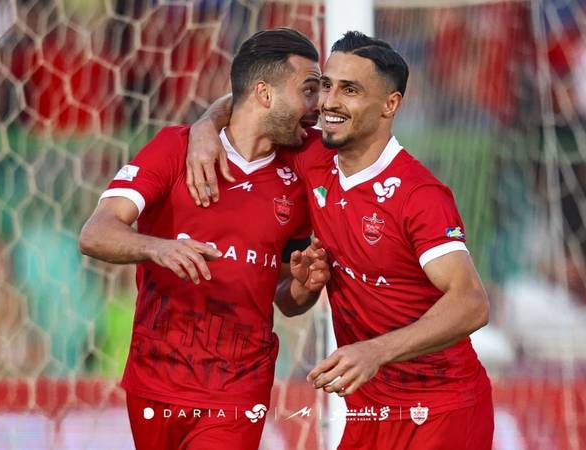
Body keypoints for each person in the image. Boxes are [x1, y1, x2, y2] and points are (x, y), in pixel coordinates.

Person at [186, 31, 493, 450]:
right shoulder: (312, 155)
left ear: (390, 105)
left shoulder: (419, 195)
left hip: (442, 408)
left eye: (350, 90)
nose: (328, 102)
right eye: (326, 85)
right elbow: (251, 102)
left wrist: (375, 352)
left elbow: (472, 302)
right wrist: (205, 126)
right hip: (369, 410)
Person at [79, 28, 331, 450]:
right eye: (308, 90)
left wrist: (304, 288)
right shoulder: (174, 148)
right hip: (156, 376)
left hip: (239, 385)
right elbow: (95, 233)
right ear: (264, 93)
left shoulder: (304, 167)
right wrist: (157, 247)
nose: (317, 105)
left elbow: (285, 299)